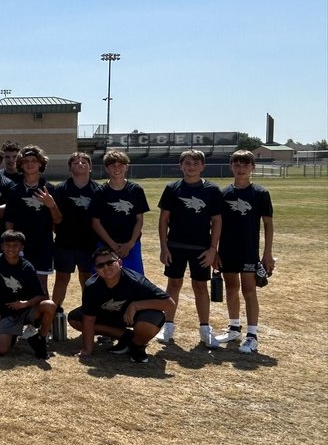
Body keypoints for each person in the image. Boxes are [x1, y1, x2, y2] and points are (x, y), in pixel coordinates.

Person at [157, 149, 224, 347]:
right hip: (175, 246)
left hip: (201, 248)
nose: (191, 167)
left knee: (200, 286)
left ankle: (205, 329)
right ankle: (168, 325)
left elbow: (217, 221)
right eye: (187, 163)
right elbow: (163, 220)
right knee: (173, 284)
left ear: (203, 166)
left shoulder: (212, 190)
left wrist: (213, 249)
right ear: (181, 166)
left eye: (196, 163)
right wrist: (164, 247)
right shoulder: (172, 188)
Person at [215, 150, 275, 354]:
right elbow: (216, 224)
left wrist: (267, 253)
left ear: (252, 168)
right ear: (231, 167)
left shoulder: (260, 193)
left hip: (249, 250)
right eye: (237, 165)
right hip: (227, 249)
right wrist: (215, 250)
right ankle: (234, 328)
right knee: (231, 288)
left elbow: (268, 224)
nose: (241, 169)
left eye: (245, 165)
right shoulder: (223, 194)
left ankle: (252, 335)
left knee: (249, 291)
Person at [71, 248, 176, 364]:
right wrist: (87, 349)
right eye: (101, 265)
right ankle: (127, 338)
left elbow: (169, 304)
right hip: (109, 317)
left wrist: (136, 305)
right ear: (96, 269)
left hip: (133, 317)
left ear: (120, 262)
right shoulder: (91, 286)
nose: (106, 267)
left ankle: (137, 347)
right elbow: (89, 319)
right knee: (75, 318)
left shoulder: (136, 281)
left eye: (110, 262)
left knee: (153, 318)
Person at [0, 230, 56, 359]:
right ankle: (15, 334)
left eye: (15, 245)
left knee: (50, 305)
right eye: (7, 245)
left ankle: (40, 338)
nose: (11, 249)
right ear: (2, 246)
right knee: (1, 351)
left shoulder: (27, 267)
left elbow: (42, 296)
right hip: (7, 312)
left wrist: (25, 304)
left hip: (27, 310)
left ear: (22, 248)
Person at [2, 146, 60, 293]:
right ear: (21, 165)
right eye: (26, 161)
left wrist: (51, 205)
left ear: (40, 163)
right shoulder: (15, 190)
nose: (30, 164)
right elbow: (9, 220)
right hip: (21, 245)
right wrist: (11, 242)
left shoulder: (49, 189)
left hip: (43, 244)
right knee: (20, 283)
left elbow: (58, 220)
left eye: (34, 160)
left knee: (41, 285)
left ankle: (43, 309)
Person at [51, 151, 98, 312]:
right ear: (69, 167)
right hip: (65, 243)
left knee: (87, 279)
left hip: (89, 244)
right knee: (62, 278)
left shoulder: (98, 189)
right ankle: (55, 312)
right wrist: (61, 233)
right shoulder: (60, 189)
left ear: (90, 167)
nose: (80, 164)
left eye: (84, 162)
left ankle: (89, 311)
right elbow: (54, 218)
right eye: (75, 162)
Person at [90, 149, 149, 275]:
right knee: (106, 277)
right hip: (105, 244)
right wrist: (113, 245)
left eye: (121, 165)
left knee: (135, 279)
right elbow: (95, 222)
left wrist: (130, 244)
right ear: (107, 168)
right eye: (112, 165)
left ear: (126, 167)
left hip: (131, 245)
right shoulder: (100, 192)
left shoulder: (136, 190)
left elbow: (139, 220)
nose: (117, 168)